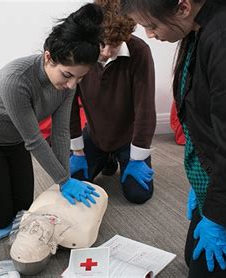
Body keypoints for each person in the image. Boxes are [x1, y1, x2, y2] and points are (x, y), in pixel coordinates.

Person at [123, 0, 226, 276]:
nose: (149, 34)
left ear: (183, 7)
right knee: (195, 256)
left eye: (152, 25)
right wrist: (201, 186)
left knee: (206, 267)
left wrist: (218, 216)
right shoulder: (200, 27)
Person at [0, 3, 103, 230]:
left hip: (13, 141)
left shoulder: (68, 84)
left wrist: (64, 178)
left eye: (79, 78)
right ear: (48, 57)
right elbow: (35, 140)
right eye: (67, 75)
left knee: (22, 208)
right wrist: (64, 181)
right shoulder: (16, 80)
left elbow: (60, 132)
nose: (71, 85)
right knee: (0, 218)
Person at [69, 0, 156, 204]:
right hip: (95, 135)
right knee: (75, 182)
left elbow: (145, 108)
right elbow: (69, 106)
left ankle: (120, 159)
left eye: (114, 44)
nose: (107, 52)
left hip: (128, 138)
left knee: (138, 194)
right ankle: (107, 159)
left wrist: (137, 156)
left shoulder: (139, 52)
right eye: (101, 44)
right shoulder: (80, 51)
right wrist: (77, 150)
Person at [10, 182, 108, 275]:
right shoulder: (80, 237)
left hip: (64, 189)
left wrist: (64, 180)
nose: (34, 228)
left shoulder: (27, 218)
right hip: (95, 192)